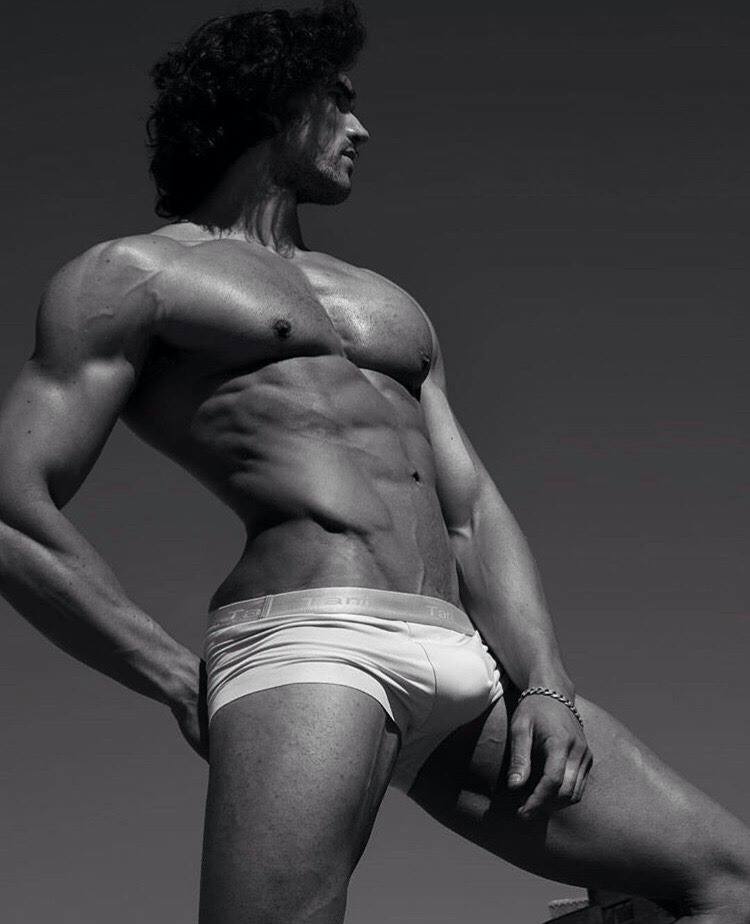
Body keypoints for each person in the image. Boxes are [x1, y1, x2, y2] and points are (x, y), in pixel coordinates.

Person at [0, 2, 747, 922]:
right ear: (274, 101)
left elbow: (471, 509)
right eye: (339, 100)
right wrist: (167, 672)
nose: (362, 128)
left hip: (469, 662)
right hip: (312, 641)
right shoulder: (132, 275)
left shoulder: (386, 302)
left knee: (727, 883)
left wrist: (547, 679)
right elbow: (12, 505)